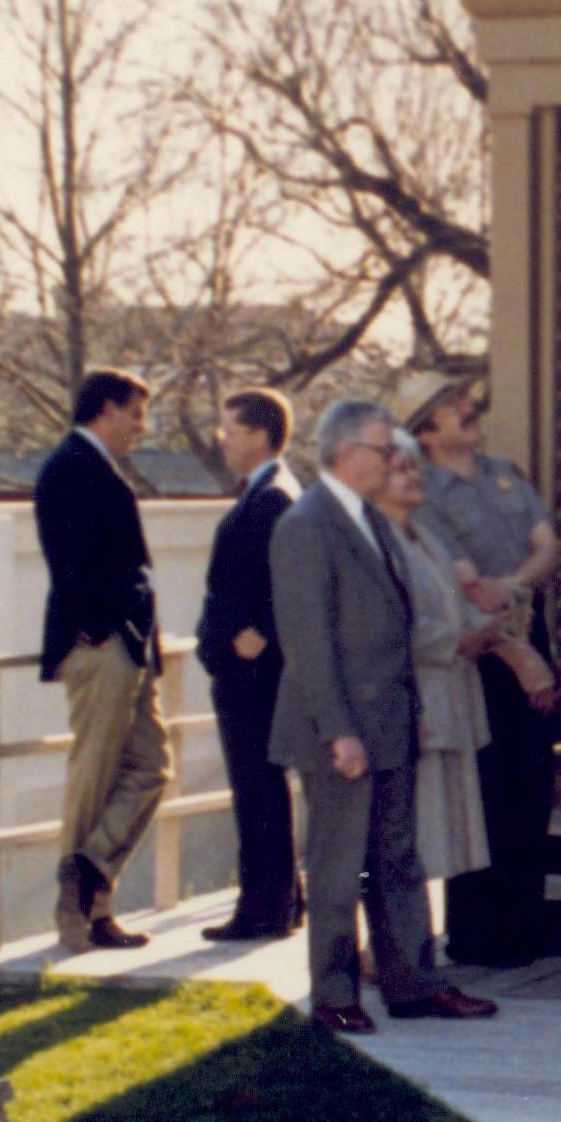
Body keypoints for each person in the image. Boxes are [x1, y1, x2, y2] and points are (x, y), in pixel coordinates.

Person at [266, 398, 498, 1033]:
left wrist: (413, 709)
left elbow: (393, 628)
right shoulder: (306, 525)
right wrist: (340, 732)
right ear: (346, 454)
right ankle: (335, 997)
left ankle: (413, 986)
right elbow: (309, 642)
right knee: (340, 866)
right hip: (337, 730)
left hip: (392, 721)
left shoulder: (372, 519)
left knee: (399, 861)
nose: (396, 460)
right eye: (383, 449)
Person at [407, 375, 561, 969]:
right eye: (450, 409)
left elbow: (547, 544)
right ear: (425, 430)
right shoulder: (425, 491)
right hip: (482, 648)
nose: (468, 411)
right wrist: (501, 607)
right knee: (486, 784)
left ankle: (526, 924)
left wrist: (516, 585)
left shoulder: (506, 472)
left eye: (464, 403)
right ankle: (476, 931)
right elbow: (465, 580)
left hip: (526, 628)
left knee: (532, 781)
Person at [33, 368, 171, 954]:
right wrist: (97, 633)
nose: (142, 427)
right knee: (94, 775)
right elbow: (71, 563)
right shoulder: (68, 466)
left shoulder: (94, 466)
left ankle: (90, 877)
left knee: (150, 766)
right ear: (107, 410)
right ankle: (81, 915)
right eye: (136, 413)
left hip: (129, 644)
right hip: (102, 644)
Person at [375, 438, 518, 953]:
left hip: (451, 697)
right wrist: (456, 639)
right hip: (415, 703)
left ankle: (412, 951)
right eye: (399, 470)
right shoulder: (377, 541)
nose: (413, 477)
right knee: (406, 837)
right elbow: (392, 625)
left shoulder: (425, 537)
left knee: (436, 836)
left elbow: (454, 606)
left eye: (416, 467)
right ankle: (388, 951)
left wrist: (486, 625)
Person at [195, 388, 302, 943]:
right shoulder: (264, 492)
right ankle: (285, 898)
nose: (222, 439)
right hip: (245, 667)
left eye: (230, 430)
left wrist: (257, 634)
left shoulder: (275, 498)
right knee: (261, 783)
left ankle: (264, 905)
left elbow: (293, 576)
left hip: (256, 671)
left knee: (256, 784)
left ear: (260, 435)